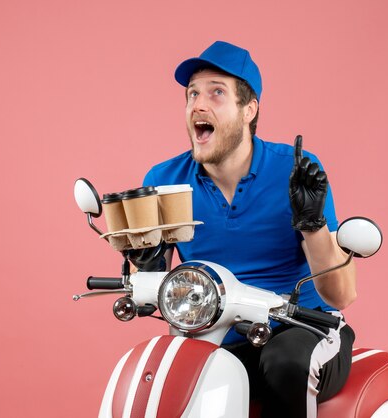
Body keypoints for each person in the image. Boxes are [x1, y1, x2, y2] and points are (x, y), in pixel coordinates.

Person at [133, 41, 356, 418]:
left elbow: (342, 295)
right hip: (218, 334)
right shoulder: (165, 181)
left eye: (216, 93)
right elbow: (148, 297)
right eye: (192, 94)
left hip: (304, 330)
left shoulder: (294, 171)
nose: (198, 105)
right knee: (163, 372)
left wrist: (312, 223)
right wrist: (147, 265)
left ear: (248, 110)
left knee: (284, 361)